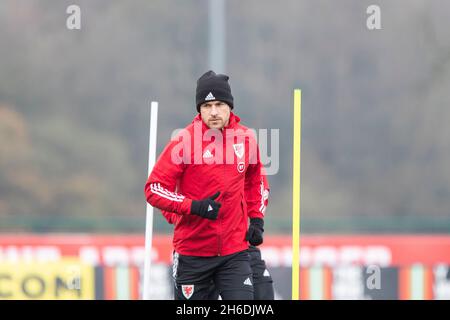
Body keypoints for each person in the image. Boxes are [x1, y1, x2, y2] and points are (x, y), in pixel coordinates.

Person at [144, 70, 266, 300]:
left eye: (219, 104)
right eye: (206, 106)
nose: (213, 112)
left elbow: (254, 180)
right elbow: (154, 188)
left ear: (230, 106)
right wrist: (194, 206)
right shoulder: (184, 141)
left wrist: (257, 218)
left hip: (234, 253)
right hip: (193, 254)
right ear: (199, 110)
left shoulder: (246, 138)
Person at [161, 173, 274, 300]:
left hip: (238, 246)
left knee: (263, 293)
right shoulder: (186, 155)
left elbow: (258, 181)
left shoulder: (242, 153)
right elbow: (162, 191)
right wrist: (184, 217)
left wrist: (256, 220)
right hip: (198, 251)